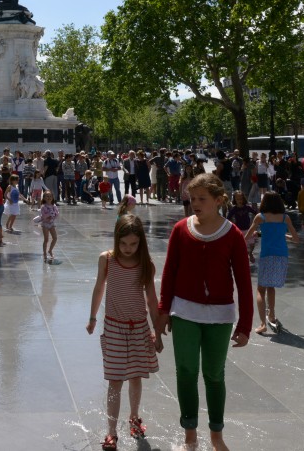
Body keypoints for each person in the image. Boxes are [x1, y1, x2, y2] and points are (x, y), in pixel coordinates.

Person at [155, 173, 253, 451]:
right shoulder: (180, 230)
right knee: (186, 372)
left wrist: (245, 325)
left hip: (220, 317)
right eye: (192, 198)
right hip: (184, 313)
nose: (194, 203)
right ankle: (190, 435)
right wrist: (163, 313)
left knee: (213, 374)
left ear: (219, 201)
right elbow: (169, 273)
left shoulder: (233, 234)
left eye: (201, 199)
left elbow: (244, 284)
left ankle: (216, 435)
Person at [87, 213, 162, 450]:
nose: (128, 248)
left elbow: (151, 300)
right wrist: (92, 317)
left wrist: (157, 332)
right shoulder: (107, 260)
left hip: (139, 328)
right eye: (123, 243)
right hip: (115, 328)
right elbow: (99, 288)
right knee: (115, 381)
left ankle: (134, 416)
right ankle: (111, 432)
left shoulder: (145, 265)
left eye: (133, 244)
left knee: (136, 377)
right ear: (115, 240)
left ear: (141, 242)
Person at [245, 191, 300, 335]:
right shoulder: (285, 218)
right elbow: (296, 239)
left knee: (260, 290)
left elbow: (247, 236)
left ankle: (263, 324)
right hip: (282, 256)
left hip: (267, 256)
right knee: (271, 287)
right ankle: (272, 316)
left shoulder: (260, 217)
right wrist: (283, 236)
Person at [227, 191, 256, 264]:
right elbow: (228, 218)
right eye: (238, 199)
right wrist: (232, 225)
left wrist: (254, 222)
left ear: (243, 199)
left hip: (248, 229)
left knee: (252, 243)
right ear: (235, 200)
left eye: (241, 199)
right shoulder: (234, 209)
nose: (240, 200)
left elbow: (255, 213)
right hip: (239, 230)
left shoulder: (247, 207)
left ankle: (250, 253)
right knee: (242, 245)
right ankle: (245, 255)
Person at [37, 189, 59, 261]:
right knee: (46, 239)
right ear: (44, 198)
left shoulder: (54, 206)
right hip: (45, 224)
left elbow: (57, 213)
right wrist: (49, 215)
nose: (49, 197)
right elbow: (43, 215)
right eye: (47, 196)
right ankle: (44, 253)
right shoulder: (43, 206)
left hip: (52, 224)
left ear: (52, 197)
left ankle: (50, 250)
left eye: (50, 196)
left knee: (55, 238)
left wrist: (55, 215)